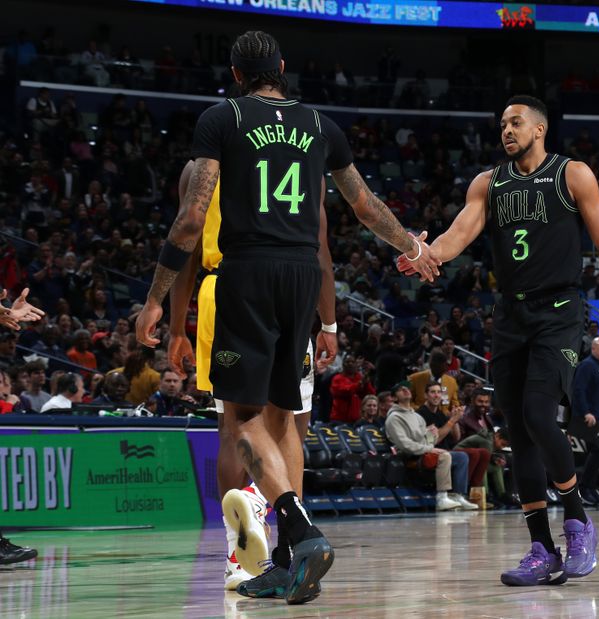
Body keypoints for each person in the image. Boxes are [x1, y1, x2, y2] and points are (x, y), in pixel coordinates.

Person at [135, 30, 438, 605]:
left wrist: (156, 298)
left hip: (245, 274)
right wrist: (413, 249)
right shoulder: (320, 124)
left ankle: (296, 534)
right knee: (287, 418)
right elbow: (365, 207)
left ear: (234, 75)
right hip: (303, 276)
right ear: (281, 67)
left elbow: (190, 220)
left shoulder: (221, 120)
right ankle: (281, 561)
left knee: (242, 420)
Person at [398, 95, 599, 585]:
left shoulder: (572, 175)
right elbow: (458, 234)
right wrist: (422, 252)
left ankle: (579, 520)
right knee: (518, 433)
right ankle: (541, 548)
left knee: (540, 414)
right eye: (502, 122)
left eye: (516, 122)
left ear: (539, 129)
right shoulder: (489, 183)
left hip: (560, 310)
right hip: (511, 315)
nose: (506, 129)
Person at [167, 157, 338, 591]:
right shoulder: (299, 157)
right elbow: (321, 247)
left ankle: (237, 552)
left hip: (225, 287)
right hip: (290, 287)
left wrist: (174, 326)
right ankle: (283, 536)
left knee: (234, 426)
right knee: (289, 428)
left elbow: (185, 243)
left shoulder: (201, 168)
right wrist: (330, 322)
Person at [384, 381, 471, 511]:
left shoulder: (417, 417)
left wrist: (433, 435)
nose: (406, 390)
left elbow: (429, 441)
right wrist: (429, 448)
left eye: (407, 388)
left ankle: (458, 496)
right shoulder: (394, 418)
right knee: (444, 455)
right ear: (395, 398)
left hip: (424, 451)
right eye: (401, 389)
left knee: (461, 457)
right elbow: (405, 445)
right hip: (410, 457)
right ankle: (442, 498)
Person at [417, 382, 485, 508]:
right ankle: (444, 497)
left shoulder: (440, 413)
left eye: (439, 392)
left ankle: (458, 495)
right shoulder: (421, 414)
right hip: (429, 452)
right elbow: (433, 441)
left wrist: (455, 419)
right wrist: (451, 420)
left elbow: (456, 437)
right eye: (432, 392)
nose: (436, 395)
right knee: (463, 456)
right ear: (426, 395)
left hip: (444, 451)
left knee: (464, 456)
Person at [570, 337, 599, 506]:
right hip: (587, 418)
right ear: (593, 349)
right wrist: (586, 412)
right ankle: (584, 488)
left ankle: (590, 487)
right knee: (598, 449)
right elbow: (578, 390)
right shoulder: (587, 365)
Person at [408, 348, 460, 414]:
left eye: (443, 370)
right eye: (438, 369)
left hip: (443, 418)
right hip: (420, 416)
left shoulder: (452, 382)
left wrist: (454, 410)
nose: (441, 372)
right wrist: (419, 410)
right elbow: (408, 401)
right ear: (431, 366)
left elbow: (455, 403)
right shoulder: (415, 378)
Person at [330, 354, 375, 423]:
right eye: (347, 362)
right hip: (339, 418)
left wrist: (366, 383)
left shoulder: (359, 377)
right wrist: (359, 384)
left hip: (357, 418)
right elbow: (344, 391)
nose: (350, 364)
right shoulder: (337, 378)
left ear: (356, 364)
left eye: (352, 362)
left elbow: (371, 394)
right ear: (343, 364)